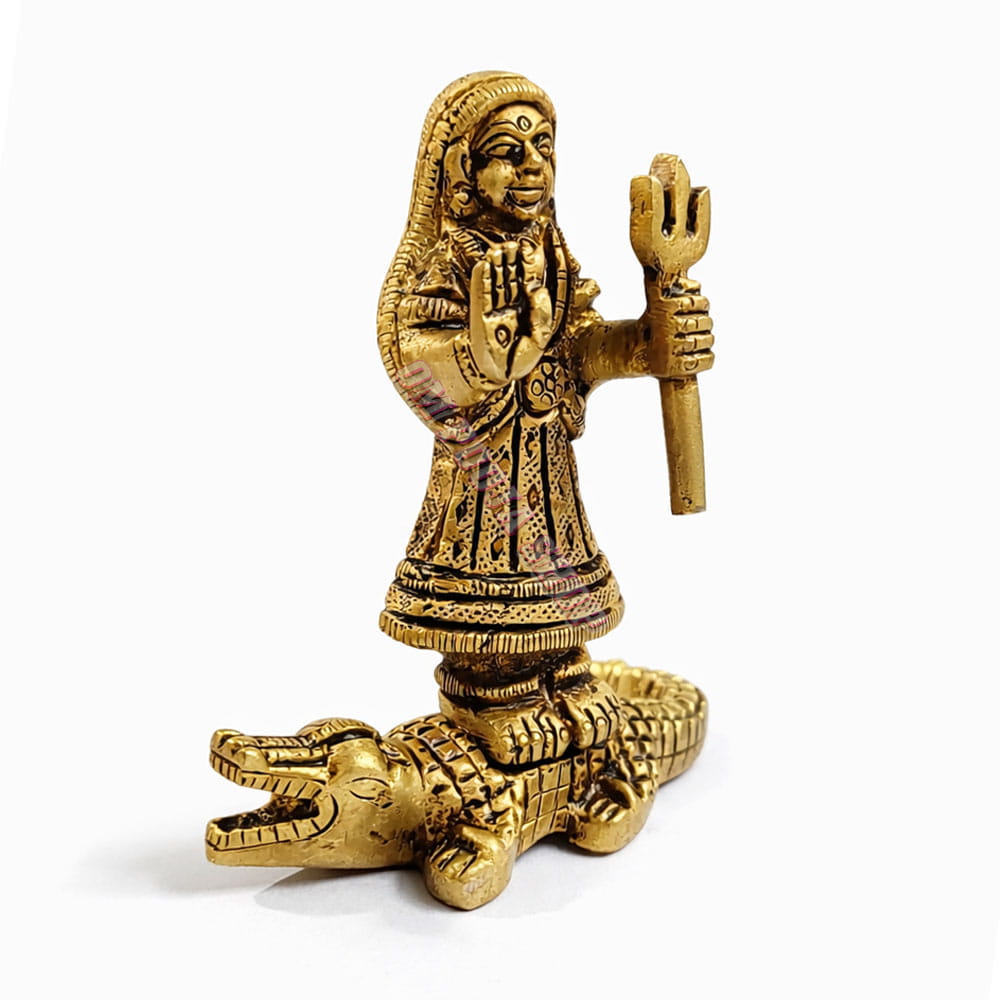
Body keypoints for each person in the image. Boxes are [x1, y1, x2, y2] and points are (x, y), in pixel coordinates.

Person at [377, 72, 713, 766]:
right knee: (491, 590)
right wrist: (481, 356)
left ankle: (564, 672)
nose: (533, 165)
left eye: (545, 149)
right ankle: (488, 695)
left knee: (557, 577)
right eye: (509, 150)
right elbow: (415, 361)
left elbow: (581, 350)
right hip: (483, 473)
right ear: (462, 170)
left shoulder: (551, 255)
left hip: (548, 459)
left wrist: (653, 339)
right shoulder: (451, 259)